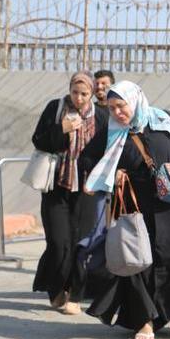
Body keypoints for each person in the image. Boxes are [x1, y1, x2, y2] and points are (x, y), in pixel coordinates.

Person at [84, 81, 170, 339]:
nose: (117, 112)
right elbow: (86, 159)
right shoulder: (112, 132)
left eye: (121, 106)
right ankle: (145, 320)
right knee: (140, 262)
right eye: (112, 108)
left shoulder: (164, 119)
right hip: (137, 207)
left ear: (135, 100)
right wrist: (111, 174)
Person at [30, 71, 109, 315]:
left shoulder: (101, 116)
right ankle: (55, 289)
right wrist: (61, 129)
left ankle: (74, 295)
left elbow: (107, 150)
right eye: (75, 92)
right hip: (56, 186)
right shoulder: (56, 108)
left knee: (79, 245)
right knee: (57, 242)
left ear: (92, 93)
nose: (79, 98)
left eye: (85, 93)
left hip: (86, 188)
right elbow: (38, 140)